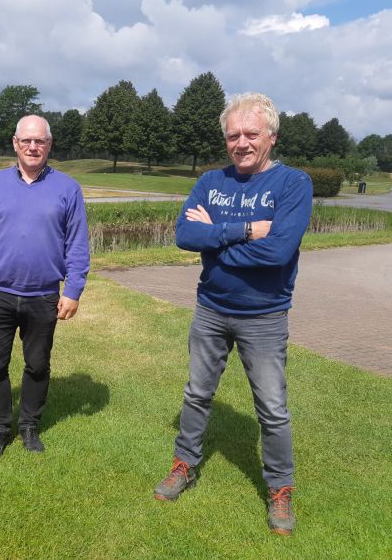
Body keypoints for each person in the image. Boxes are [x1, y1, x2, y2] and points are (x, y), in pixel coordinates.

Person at [153, 93, 313, 536]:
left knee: (273, 409)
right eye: (233, 135)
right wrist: (242, 230)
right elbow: (185, 234)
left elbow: (278, 251)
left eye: (251, 134)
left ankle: (280, 490)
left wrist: (215, 245)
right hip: (211, 310)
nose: (241, 143)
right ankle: (183, 465)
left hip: (264, 316)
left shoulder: (293, 184)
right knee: (196, 394)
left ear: (272, 137)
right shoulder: (211, 180)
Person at [0, 115, 90, 459]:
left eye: (40, 141)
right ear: (15, 143)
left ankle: (29, 425)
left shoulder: (67, 188)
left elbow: (77, 245)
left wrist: (73, 290)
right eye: (27, 141)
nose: (33, 147)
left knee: (37, 365)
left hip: (43, 296)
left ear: (49, 145)